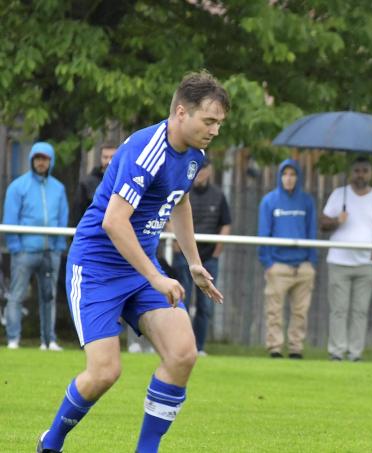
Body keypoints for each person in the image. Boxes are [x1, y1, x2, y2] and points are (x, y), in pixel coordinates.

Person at [36, 71, 229, 453]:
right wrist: (156, 277)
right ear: (181, 112)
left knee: (182, 354)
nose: (215, 131)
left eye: (219, 123)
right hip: (96, 269)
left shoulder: (194, 155)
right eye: (209, 121)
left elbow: (180, 201)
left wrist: (193, 261)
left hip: (138, 268)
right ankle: (51, 442)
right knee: (104, 372)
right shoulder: (148, 150)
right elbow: (113, 221)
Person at [320, 156, 372, 361]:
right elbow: (323, 223)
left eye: (365, 171)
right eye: (357, 171)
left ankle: (355, 353)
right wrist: (337, 220)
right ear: (351, 173)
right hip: (339, 261)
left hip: (365, 264)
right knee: (338, 310)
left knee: (360, 311)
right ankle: (337, 352)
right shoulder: (338, 195)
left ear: (370, 174)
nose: (361, 175)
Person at [2, 141, 69, 351]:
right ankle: (13, 339)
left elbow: (63, 218)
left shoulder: (59, 188)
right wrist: (15, 247)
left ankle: (48, 341)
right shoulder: (18, 186)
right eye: (38, 158)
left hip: (51, 252)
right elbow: (10, 218)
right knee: (16, 295)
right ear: (32, 160)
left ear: (51, 161)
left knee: (49, 297)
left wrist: (58, 246)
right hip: (24, 252)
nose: (41, 162)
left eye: (45, 158)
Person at [258, 158, 317, 359]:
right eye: (285, 174)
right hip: (278, 265)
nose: (289, 178)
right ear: (280, 177)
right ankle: (275, 348)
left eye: (292, 174)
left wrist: (311, 262)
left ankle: (295, 349)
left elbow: (311, 231)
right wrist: (268, 262)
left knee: (300, 312)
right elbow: (263, 233)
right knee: (274, 311)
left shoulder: (307, 201)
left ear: (298, 177)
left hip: (303, 267)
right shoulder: (269, 201)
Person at [173, 160, 231, 355]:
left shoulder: (218, 196)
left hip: (208, 258)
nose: (200, 172)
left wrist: (216, 252)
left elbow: (226, 224)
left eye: (204, 168)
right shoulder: (181, 190)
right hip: (184, 257)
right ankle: (181, 345)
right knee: (181, 300)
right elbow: (170, 215)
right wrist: (177, 245)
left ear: (210, 171)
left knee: (205, 306)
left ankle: (199, 347)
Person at [71, 144, 117, 226]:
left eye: (112, 157)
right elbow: (77, 213)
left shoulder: (124, 182)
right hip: (92, 230)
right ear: (100, 158)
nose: (108, 161)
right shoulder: (86, 184)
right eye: (105, 157)